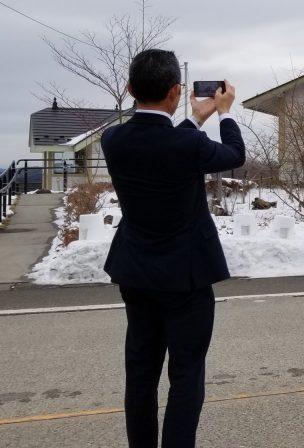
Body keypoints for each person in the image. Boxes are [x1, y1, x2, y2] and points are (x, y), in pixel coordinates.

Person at [101, 48, 245, 448]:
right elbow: (234, 154)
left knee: (141, 375)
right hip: (187, 278)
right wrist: (224, 112)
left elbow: (163, 142)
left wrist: (195, 117)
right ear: (175, 92)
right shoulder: (187, 148)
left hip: (136, 272)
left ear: (130, 89)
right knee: (186, 375)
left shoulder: (113, 139)